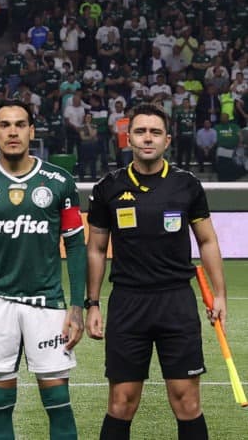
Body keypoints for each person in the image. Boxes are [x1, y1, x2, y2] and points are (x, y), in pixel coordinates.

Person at [86, 103, 227, 440]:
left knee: (187, 401)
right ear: (128, 138)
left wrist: (220, 294)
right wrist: (92, 303)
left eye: (155, 132)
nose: (147, 138)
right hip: (127, 304)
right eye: (140, 131)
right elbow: (96, 248)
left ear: (167, 139)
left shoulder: (187, 185)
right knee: (122, 402)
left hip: (176, 302)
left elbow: (207, 240)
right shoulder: (109, 187)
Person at [0, 99, 87, 439]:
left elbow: (74, 244)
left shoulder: (59, 181)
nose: (12, 131)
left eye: (20, 124)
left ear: (32, 131)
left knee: (58, 401)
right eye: (4, 125)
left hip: (48, 303)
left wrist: (77, 306)